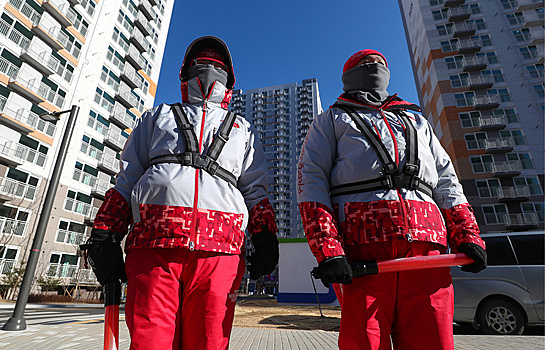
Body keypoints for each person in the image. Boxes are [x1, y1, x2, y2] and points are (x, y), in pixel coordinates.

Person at [84, 36, 279, 350]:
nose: (209, 66)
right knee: (150, 342)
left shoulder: (242, 129)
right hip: (153, 247)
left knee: (210, 342)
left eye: (217, 63)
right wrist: (105, 233)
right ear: (185, 72)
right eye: (202, 61)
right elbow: (126, 180)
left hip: (221, 251)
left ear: (229, 78)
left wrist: (267, 238)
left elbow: (255, 192)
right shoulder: (155, 117)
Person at [297, 49, 487, 350]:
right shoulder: (331, 120)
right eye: (364, 63)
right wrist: (328, 249)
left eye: (380, 63)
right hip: (362, 251)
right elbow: (311, 182)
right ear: (348, 75)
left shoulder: (418, 122)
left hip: (428, 252)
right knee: (364, 342)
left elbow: (447, 179)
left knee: (433, 340)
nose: (374, 65)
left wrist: (467, 234)